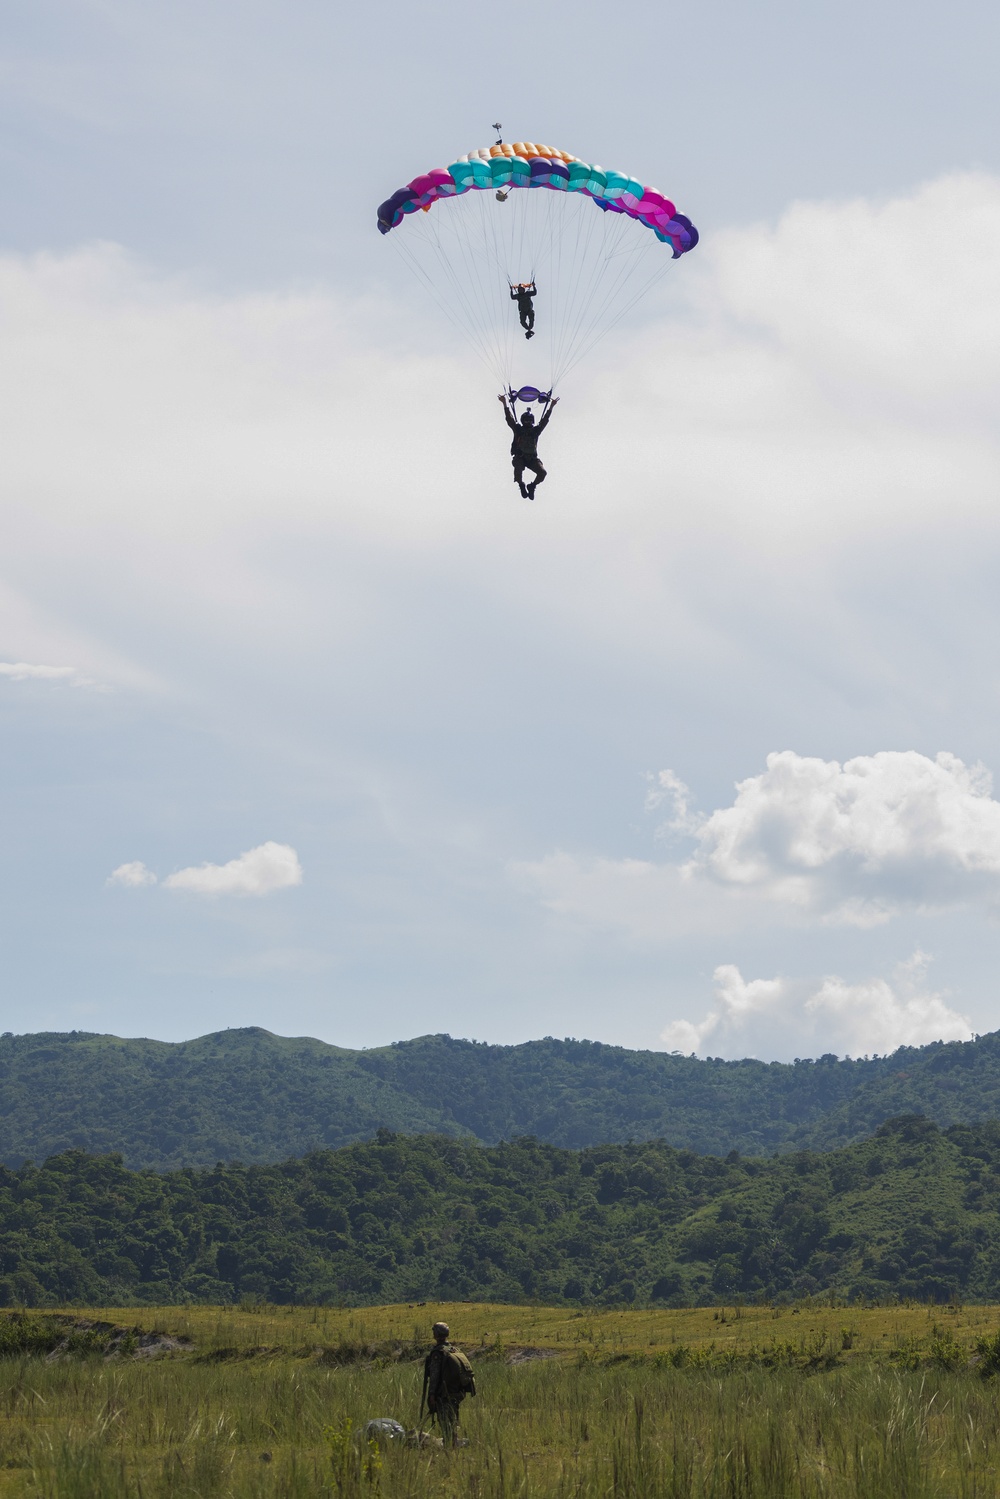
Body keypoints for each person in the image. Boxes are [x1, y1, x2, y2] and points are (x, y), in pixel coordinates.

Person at [422, 1320, 475, 1447]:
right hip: (456, 1393)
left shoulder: (438, 1353)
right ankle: (453, 1442)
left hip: (444, 1394)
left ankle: (449, 1446)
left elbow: (434, 1376)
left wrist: (432, 1394)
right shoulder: (454, 1349)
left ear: (436, 1334)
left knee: (445, 1421)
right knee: (453, 1419)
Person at [499, 393, 559, 499]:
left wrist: (551, 406)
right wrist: (504, 403)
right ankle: (521, 485)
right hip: (520, 458)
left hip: (532, 459)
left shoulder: (536, 431)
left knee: (543, 473)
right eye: (526, 420)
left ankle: (532, 486)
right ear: (523, 421)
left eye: (529, 421)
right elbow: (509, 419)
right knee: (518, 469)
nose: (527, 422)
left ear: (532, 421)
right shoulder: (518, 430)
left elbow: (545, 421)